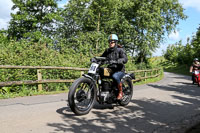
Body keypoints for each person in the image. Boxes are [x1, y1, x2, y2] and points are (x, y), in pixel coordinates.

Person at [101, 34, 128, 100]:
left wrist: (119, 60)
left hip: (119, 70)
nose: (110, 43)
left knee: (115, 76)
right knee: (100, 71)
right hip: (110, 69)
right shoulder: (107, 51)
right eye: (109, 42)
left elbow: (125, 59)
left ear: (115, 42)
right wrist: (95, 59)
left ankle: (120, 92)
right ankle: (104, 90)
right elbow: (102, 58)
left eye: (112, 42)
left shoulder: (120, 50)